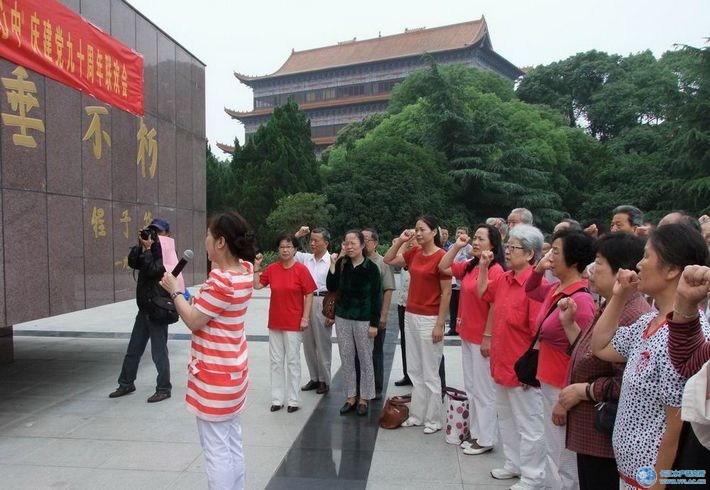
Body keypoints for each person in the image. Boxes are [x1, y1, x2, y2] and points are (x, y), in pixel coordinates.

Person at [592, 224, 710, 489]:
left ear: (671, 270)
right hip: (631, 470)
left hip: (651, 478)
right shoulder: (649, 322)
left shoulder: (687, 332)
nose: (639, 264)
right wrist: (619, 297)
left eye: (647, 256)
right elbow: (600, 347)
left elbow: (676, 423)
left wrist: (658, 483)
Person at [158, 210, 257, 490]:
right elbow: (207, 311)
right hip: (234, 371)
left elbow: (193, 320)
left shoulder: (221, 281)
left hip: (215, 375)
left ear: (221, 242)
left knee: (216, 451)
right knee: (232, 440)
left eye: (208, 235)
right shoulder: (245, 272)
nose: (205, 241)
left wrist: (175, 291)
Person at [559, 233, 651, 490]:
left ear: (620, 269)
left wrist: (584, 391)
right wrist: (570, 326)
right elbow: (594, 353)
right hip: (592, 433)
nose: (591, 270)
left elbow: (627, 382)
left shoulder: (633, 314)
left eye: (598, 262)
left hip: (605, 438)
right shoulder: (612, 305)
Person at [477, 224, 548, 490]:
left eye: (514, 247)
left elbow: (538, 332)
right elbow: (484, 292)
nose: (508, 251)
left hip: (521, 368)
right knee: (506, 418)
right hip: (501, 362)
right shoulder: (506, 278)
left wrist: (532, 369)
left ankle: (533, 476)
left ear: (530, 254)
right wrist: (484, 267)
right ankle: (514, 464)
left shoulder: (534, 286)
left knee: (529, 424)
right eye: (508, 247)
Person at [526, 229, 597, 490]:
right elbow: (531, 289)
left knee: (563, 455)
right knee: (553, 447)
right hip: (549, 378)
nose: (549, 257)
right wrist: (538, 268)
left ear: (574, 260)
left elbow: (586, 355)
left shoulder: (580, 300)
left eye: (556, 252)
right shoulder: (557, 288)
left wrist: (566, 401)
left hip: (563, 384)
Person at [439, 223, 504, 455]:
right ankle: (476, 432)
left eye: (480, 239)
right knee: (472, 387)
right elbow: (443, 266)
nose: (475, 242)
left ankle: (486, 438)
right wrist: (457, 246)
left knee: (484, 389)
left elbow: (494, 305)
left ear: (493, 244)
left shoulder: (495, 270)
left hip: (481, 338)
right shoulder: (470, 266)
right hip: (467, 334)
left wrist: (487, 336)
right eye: (474, 238)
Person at [384, 215, 451, 434]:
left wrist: (440, 323)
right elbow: (389, 260)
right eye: (416, 229)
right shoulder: (414, 253)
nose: (418, 233)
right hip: (410, 314)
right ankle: (417, 415)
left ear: (434, 232)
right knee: (414, 368)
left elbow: (446, 292)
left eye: (422, 229)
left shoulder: (442, 257)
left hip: (430, 317)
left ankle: (434, 418)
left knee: (430, 371)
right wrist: (401, 240)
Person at [109, 218, 176, 403]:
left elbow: (154, 270)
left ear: (168, 235)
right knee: (133, 350)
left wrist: (148, 250)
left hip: (158, 309)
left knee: (158, 352)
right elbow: (133, 263)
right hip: (144, 308)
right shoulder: (147, 248)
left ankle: (164, 388)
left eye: (159, 232)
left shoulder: (168, 254)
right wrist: (140, 246)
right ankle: (126, 383)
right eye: (152, 231)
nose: (155, 235)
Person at [254, 234, 316, 413]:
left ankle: (294, 400)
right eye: (282, 247)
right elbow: (257, 286)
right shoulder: (273, 269)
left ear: (295, 249)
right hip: (275, 321)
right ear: (278, 249)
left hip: (294, 321)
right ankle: (277, 398)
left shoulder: (301, 270)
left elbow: (309, 293)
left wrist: (305, 317)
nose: (285, 250)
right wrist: (256, 268)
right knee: (276, 361)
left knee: (293, 361)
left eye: (289, 247)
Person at [328, 230, 382, 416]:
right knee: (347, 358)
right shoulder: (343, 264)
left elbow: (377, 297)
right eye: (346, 243)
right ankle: (350, 396)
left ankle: (365, 398)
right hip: (343, 317)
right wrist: (333, 265)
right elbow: (331, 287)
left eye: (353, 243)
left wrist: (374, 324)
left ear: (362, 245)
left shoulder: (371, 268)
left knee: (366, 358)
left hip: (364, 319)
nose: (349, 246)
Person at [294, 226, 333, 395]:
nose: (313, 243)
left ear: (326, 243)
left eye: (316, 240)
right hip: (306, 301)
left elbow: (337, 289)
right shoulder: (306, 259)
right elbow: (289, 248)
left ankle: (324, 379)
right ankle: (314, 377)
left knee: (323, 343)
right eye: (311, 240)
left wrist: (333, 313)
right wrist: (298, 235)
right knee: (308, 342)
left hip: (323, 301)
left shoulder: (333, 260)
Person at [359, 228, 396, 400]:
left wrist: (384, 315)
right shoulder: (355, 260)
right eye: (361, 239)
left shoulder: (382, 262)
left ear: (375, 243)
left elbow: (388, 289)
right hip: (357, 316)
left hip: (375, 314)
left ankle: (376, 387)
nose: (364, 242)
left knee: (376, 352)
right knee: (358, 353)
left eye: (367, 239)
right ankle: (361, 386)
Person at [394, 237, 416, 387]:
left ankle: (417, 375)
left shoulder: (420, 259)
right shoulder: (406, 258)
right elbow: (395, 258)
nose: (412, 242)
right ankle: (407, 373)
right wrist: (404, 241)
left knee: (418, 343)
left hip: (416, 307)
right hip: (403, 304)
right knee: (405, 341)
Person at [445, 226, 472, 336]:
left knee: (463, 308)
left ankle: (463, 327)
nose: (459, 235)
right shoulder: (452, 247)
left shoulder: (470, 248)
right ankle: (452, 328)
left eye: (462, 233)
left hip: (463, 283)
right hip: (453, 282)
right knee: (452, 307)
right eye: (458, 232)